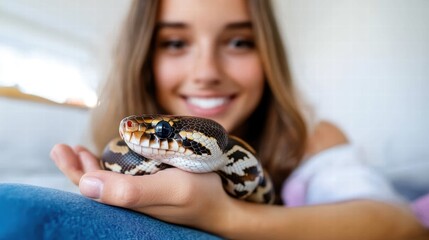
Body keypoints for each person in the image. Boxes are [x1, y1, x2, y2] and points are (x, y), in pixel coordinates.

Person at [0, 0, 427, 239]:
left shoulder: (314, 140)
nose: (206, 71)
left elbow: (401, 227)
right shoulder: (115, 141)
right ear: (143, 58)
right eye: (175, 42)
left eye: (239, 41)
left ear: (269, 57)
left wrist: (223, 217)